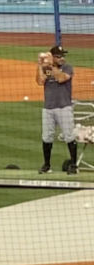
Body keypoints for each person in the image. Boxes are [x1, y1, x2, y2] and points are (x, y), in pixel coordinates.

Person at [39, 45, 77, 173]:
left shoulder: (67, 68)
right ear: (53, 57)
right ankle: (47, 165)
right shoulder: (46, 68)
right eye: (58, 56)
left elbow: (61, 78)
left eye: (63, 56)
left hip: (64, 107)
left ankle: (73, 165)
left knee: (69, 136)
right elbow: (39, 81)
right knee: (47, 137)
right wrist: (40, 66)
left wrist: (51, 66)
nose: (62, 58)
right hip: (48, 108)